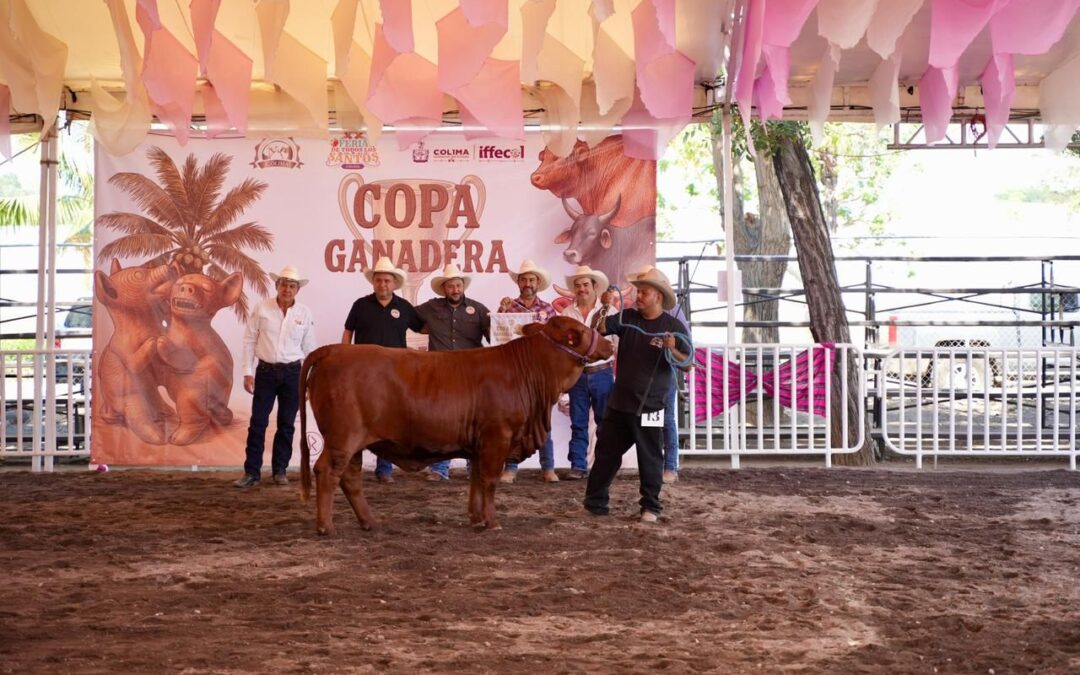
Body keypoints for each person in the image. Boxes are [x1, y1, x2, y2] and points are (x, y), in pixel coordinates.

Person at [583, 266, 690, 523]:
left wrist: (673, 349)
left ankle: (650, 507)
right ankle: (595, 502)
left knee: (650, 456)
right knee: (606, 452)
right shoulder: (627, 317)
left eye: (644, 292)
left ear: (658, 296)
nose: (638, 296)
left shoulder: (673, 327)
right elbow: (600, 328)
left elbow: (687, 363)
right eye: (639, 292)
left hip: (652, 404)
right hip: (620, 403)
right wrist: (604, 306)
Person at [342, 257, 423, 483]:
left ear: (394, 283)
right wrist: (345, 357)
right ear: (373, 282)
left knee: (389, 421)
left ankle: (384, 469)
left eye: (387, 281)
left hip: (395, 374)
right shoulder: (360, 304)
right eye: (379, 280)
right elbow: (348, 332)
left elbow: (423, 326)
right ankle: (353, 467)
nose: (383, 285)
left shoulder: (405, 307)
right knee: (358, 418)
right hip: (363, 373)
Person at [235, 265, 317, 488]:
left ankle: (280, 470)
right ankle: (252, 472)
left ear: (297, 290)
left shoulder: (304, 313)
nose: (287, 289)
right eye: (284, 284)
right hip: (265, 372)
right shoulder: (262, 308)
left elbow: (310, 350)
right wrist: (247, 372)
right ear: (277, 285)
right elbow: (249, 340)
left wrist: (309, 382)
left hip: (293, 373)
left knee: (287, 424)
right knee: (258, 423)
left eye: (292, 285)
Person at [416, 263, 491, 481]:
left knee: (476, 421)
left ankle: (475, 467)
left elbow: (496, 335)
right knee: (442, 421)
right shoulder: (430, 308)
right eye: (451, 286)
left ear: (462, 286)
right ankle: (440, 469)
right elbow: (408, 317)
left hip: (472, 374)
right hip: (441, 372)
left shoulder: (478, 309)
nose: (455, 290)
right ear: (444, 288)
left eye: (458, 285)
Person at [496, 259, 559, 483]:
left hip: (540, 373)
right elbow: (498, 337)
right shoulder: (508, 307)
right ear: (519, 283)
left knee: (542, 420)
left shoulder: (549, 310)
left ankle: (548, 468)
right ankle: (511, 468)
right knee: (514, 421)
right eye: (524, 279)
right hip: (514, 374)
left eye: (531, 279)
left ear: (538, 282)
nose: (527, 283)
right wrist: (501, 312)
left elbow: (556, 344)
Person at [560, 265, 617, 480]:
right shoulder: (567, 313)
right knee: (579, 421)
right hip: (577, 373)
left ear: (594, 287)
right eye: (578, 285)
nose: (582, 289)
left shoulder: (609, 312)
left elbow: (617, 344)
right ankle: (578, 465)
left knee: (605, 422)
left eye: (585, 284)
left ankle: (604, 465)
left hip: (602, 372)